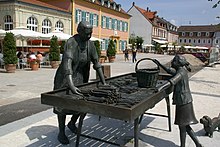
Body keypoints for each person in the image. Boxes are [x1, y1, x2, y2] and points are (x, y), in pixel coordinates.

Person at [53, 21, 106, 144]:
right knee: (62, 105)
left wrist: (103, 82)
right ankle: (61, 132)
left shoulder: (90, 44)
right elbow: (67, 63)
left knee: (84, 102)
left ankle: (72, 123)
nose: (89, 36)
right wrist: (70, 85)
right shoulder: (71, 42)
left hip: (81, 77)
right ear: (79, 31)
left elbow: (97, 64)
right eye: (87, 34)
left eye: (90, 33)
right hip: (65, 78)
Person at [154, 55, 203, 147]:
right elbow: (170, 71)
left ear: (177, 63)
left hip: (183, 101)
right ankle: (197, 144)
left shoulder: (181, 73)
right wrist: (160, 64)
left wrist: (159, 88)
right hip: (185, 100)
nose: (172, 62)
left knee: (182, 125)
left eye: (173, 61)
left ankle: (185, 145)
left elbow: (172, 81)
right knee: (184, 125)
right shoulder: (181, 70)